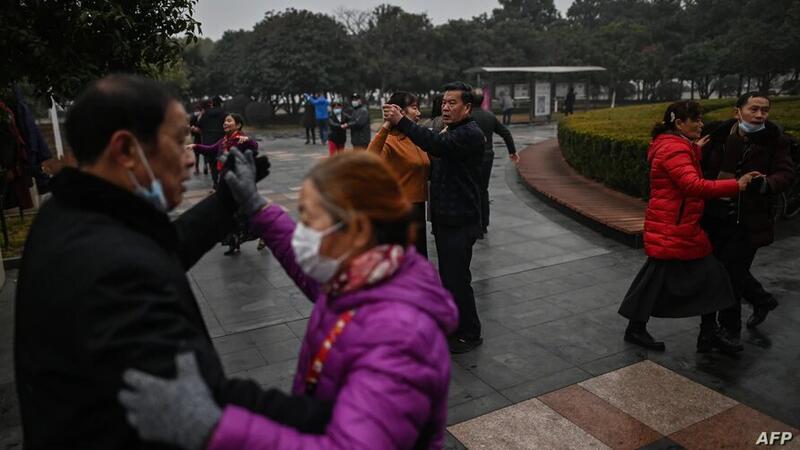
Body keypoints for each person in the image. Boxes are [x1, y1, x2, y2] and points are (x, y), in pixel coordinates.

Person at [13, 75, 331, 450]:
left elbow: (159, 252)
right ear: (126, 150)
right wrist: (335, 418)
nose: (189, 158)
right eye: (179, 141)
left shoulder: (74, 213)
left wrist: (227, 202)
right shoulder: (107, 266)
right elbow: (202, 401)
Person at [118, 151, 458, 450]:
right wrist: (258, 208)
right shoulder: (360, 277)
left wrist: (213, 430)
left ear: (357, 231)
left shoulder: (399, 338)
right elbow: (309, 272)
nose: (303, 232)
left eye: (309, 219)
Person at [617, 100, 761, 355]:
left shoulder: (673, 145)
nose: (701, 124)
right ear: (679, 123)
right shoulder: (675, 148)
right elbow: (692, 185)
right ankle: (702, 334)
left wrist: (693, 149)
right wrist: (735, 185)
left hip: (675, 224)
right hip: (675, 226)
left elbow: (678, 174)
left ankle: (699, 333)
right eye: (695, 120)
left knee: (668, 279)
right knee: (711, 277)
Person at [383, 81, 485, 354]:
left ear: (467, 107)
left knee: (457, 279)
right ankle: (456, 325)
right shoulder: (452, 130)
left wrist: (402, 121)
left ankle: (470, 333)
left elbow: (436, 145)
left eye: (453, 103)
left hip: (460, 219)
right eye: (444, 102)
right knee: (450, 278)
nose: (446, 107)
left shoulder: (469, 133)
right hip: (445, 219)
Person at [701, 92, 795, 338]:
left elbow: (786, 173)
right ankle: (762, 300)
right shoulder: (717, 135)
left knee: (731, 275)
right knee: (721, 268)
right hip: (715, 215)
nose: (760, 115)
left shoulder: (775, 140)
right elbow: (700, 166)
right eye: (754, 109)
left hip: (749, 220)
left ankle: (730, 330)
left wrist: (766, 184)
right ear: (737, 112)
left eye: (765, 110)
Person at [368, 91, 431, 257]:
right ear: (401, 111)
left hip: (418, 207)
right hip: (400, 210)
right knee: (405, 258)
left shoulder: (417, 138)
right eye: (414, 108)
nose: (419, 113)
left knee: (419, 256)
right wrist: (387, 124)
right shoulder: (390, 140)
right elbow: (370, 159)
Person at [188, 113, 259, 255]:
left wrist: (249, 140)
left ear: (238, 125)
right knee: (227, 213)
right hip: (225, 180)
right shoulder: (224, 141)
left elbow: (255, 147)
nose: (225, 123)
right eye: (225, 121)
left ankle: (262, 233)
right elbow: (211, 149)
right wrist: (195, 146)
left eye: (229, 121)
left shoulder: (241, 139)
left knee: (243, 212)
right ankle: (233, 242)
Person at [470, 88, 519, 237]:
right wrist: (512, 151)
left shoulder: (467, 117)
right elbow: (505, 132)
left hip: (471, 158)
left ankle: (475, 224)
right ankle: (484, 224)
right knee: (483, 190)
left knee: (472, 190)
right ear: (482, 100)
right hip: (487, 156)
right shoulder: (489, 116)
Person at [197, 96, 226, 189]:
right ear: (220, 103)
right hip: (221, 140)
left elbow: (199, 125)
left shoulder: (206, 113)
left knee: (212, 163)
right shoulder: (224, 113)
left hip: (208, 142)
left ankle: (215, 182)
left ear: (212, 104)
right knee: (222, 161)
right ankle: (222, 181)